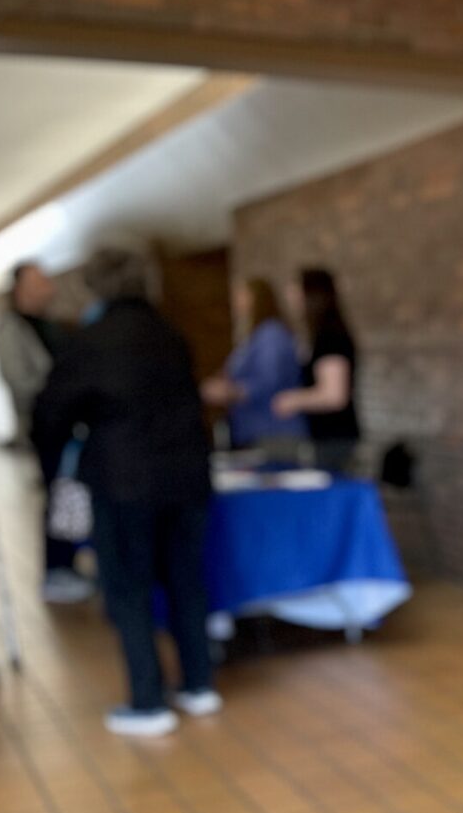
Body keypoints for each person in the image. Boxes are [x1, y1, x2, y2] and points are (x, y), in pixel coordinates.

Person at [33, 247, 219, 737]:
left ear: (96, 286)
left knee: (128, 587)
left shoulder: (89, 342)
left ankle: (147, 700)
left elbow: (52, 412)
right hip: (187, 476)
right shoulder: (171, 335)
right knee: (186, 579)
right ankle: (199, 685)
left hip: (122, 482)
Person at [0, 261, 92, 605]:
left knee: (69, 493)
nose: (48, 287)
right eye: (39, 282)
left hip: (70, 423)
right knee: (56, 494)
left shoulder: (50, 325)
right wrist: (59, 390)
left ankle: (69, 562)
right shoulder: (13, 328)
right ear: (20, 288)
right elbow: (20, 380)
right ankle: (56, 570)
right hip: (47, 425)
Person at [273, 267, 362, 468]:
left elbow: (334, 395)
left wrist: (292, 400)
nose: (290, 296)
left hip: (335, 438)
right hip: (326, 437)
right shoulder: (318, 335)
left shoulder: (330, 337)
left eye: (296, 289)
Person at [202, 279, 304, 449]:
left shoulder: (271, 334)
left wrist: (230, 392)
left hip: (272, 429)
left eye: (241, 295)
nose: (236, 301)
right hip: (251, 430)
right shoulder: (253, 336)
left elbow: (268, 380)